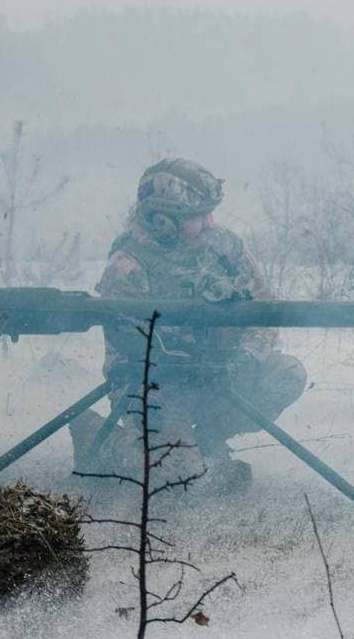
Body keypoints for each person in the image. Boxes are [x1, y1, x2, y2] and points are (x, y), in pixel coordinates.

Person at [69, 158, 306, 493]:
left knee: (287, 374)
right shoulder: (127, 267)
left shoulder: (225, 248)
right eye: (198, 216)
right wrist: (187, 363)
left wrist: (246, 357)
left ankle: (206, 442)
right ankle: (101, 441)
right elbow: (132, 353)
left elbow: (262, 313)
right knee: (178, 478)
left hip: (216, 376)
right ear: (162, 221)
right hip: (154, 390)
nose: (210, 223)